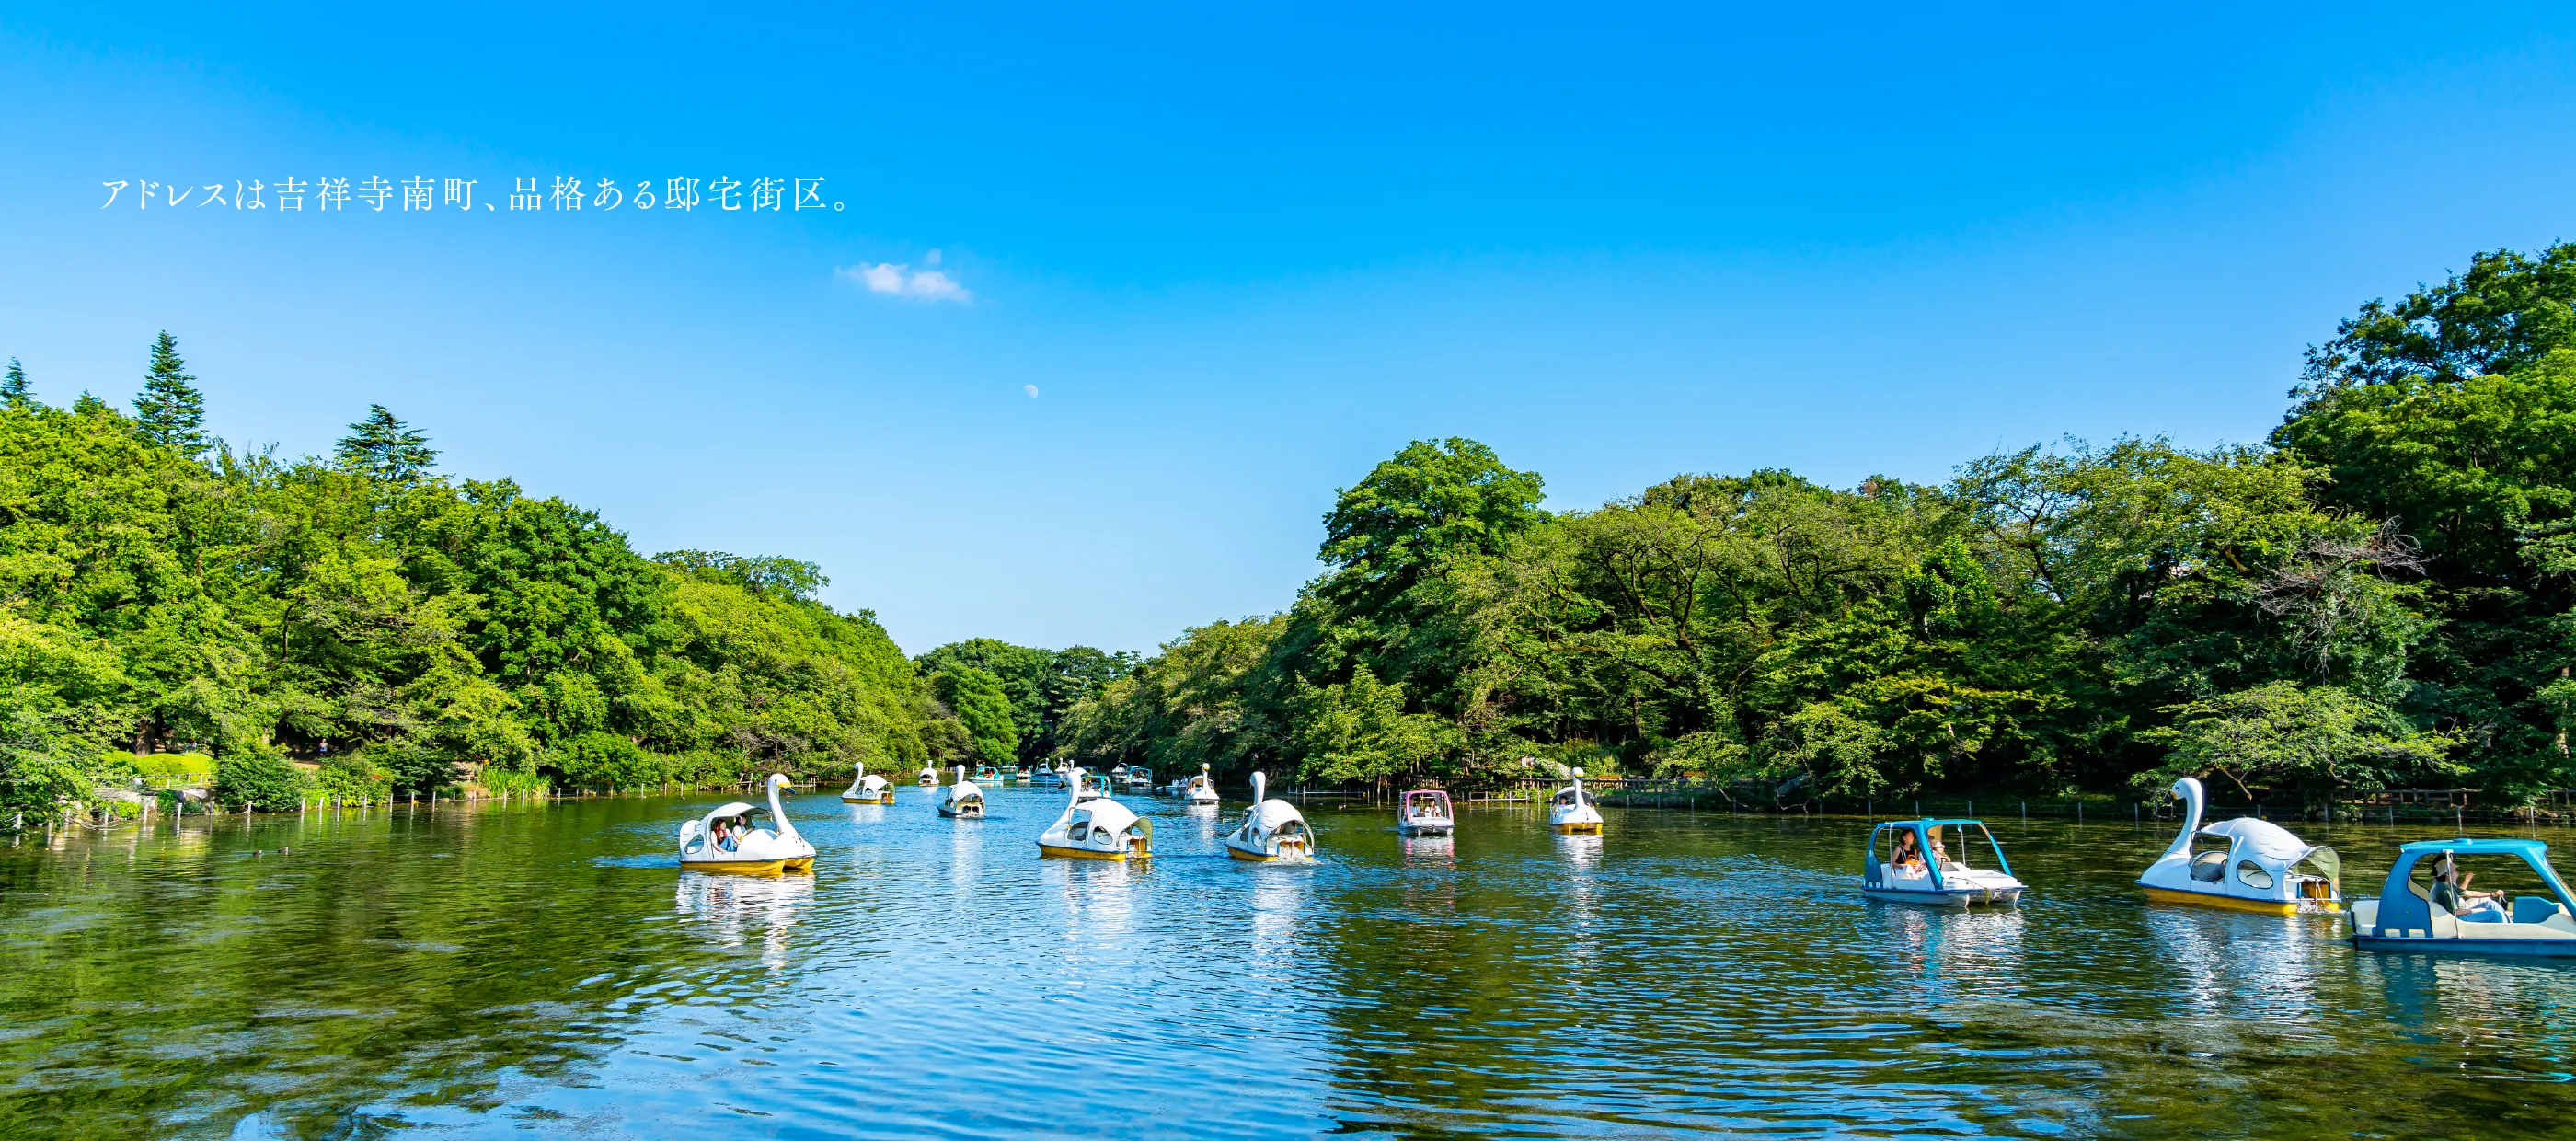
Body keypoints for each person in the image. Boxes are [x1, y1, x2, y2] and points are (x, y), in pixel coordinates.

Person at [2431, 857, 2506, 922]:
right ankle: (2505, 935)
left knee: (2491, 904)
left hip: (2459, 914)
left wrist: (2492, 894)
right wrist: (2476, 910)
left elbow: (2469, 893)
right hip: (2458, 920)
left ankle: (2509, 927)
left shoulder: (2448, 885)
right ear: (2447, 874)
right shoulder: (2445, 891)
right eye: (2455, 870)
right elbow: (2455, 912)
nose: (2457, 874)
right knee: (2495, 915)